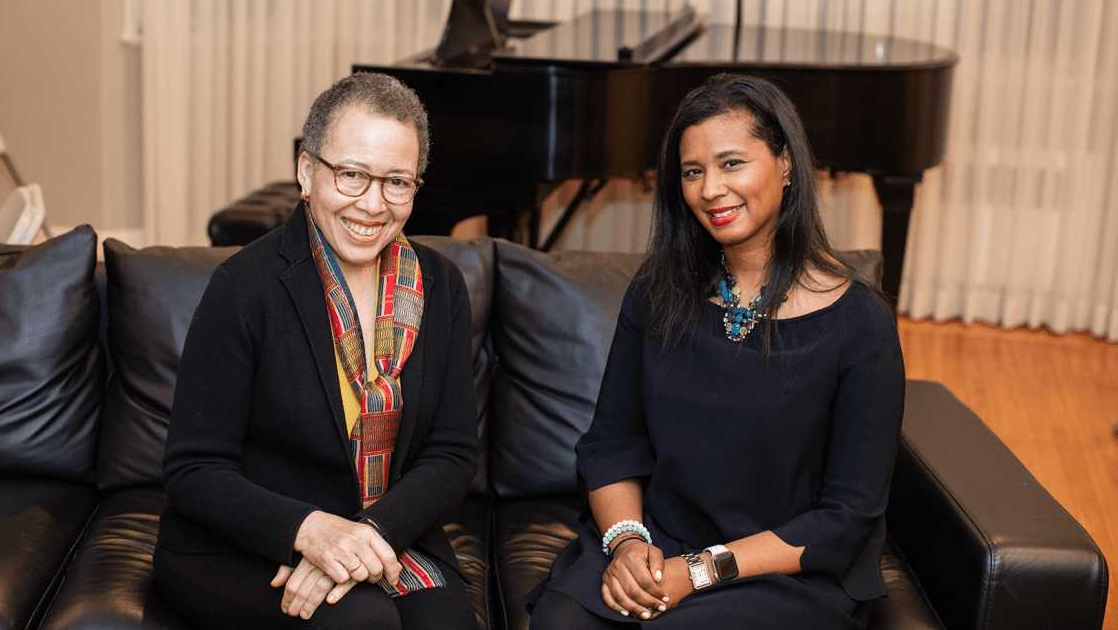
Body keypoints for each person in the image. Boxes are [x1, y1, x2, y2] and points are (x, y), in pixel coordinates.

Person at [528, 74, 906, 629]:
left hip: (780, 568)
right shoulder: (658, 290)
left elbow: (846, 516)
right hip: (659, 541)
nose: (710, 190)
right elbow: (612, 444)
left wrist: (698, 571)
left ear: (785, 164)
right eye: (692, 171)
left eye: (732, 163)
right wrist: (627, 544)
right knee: (561, 620)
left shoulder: (860, 323)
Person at [154, 72, 480, 630]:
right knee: (362, 622)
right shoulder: (244, 286)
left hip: (385, 530)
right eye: (351, 174)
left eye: (396, 182)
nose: (373, 204)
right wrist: (312, 532)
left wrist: (366, 536)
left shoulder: (439, 285)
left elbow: (452, 454)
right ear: (306, 171)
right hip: (244, 541)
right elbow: (193, 469)